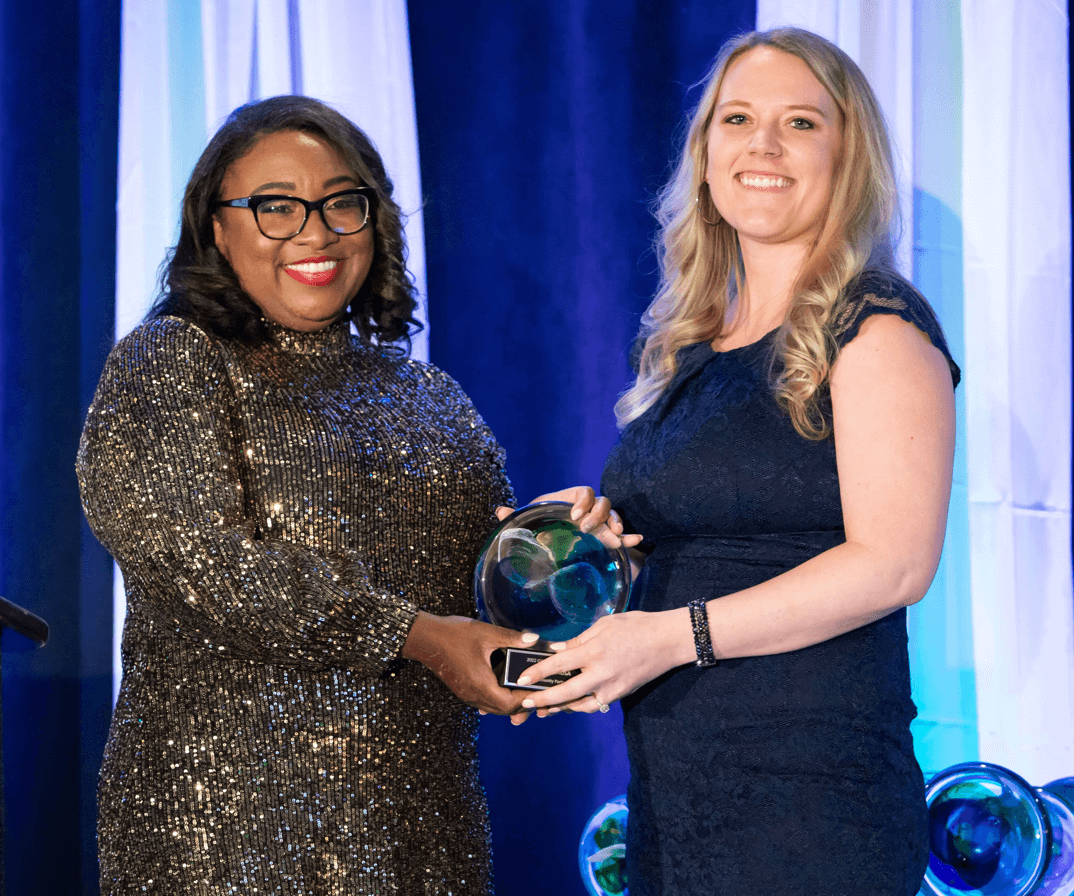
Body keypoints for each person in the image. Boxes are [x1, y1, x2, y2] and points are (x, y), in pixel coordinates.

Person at [77, 95, 633, 894]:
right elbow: (214, 568)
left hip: (423, 838)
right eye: (276, 206)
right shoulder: (169, 361)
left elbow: (484, 598)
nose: (316, 231)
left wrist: (568, 553)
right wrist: (427, 638)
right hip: (223, 845)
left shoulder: (430, 398)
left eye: (343, 203)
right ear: (216, 229)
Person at [520, 27, 960, 896]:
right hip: (679, 797)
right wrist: (602, 547)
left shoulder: (876, 328)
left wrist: (669, 636)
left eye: (801, 123)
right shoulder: (695, 344)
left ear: (848, 159)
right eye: (738, 118)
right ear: (707, 156)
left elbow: (895, 564)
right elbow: (721, 544)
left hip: (812, 804)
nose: (762, 143)